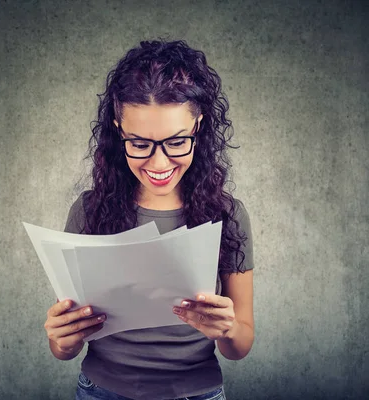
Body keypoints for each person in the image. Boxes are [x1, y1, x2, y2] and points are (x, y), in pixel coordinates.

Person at [43, 38, 254, 400]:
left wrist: (228, 328)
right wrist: (60, 339)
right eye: (139, 144)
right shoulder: (89, 211)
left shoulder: (227, 215)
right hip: (101, 392)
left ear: (198, 127)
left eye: (176, 142)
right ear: (117, 129)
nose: (158, 164)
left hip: (197, 393)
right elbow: (67, 349)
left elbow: (240, 345)